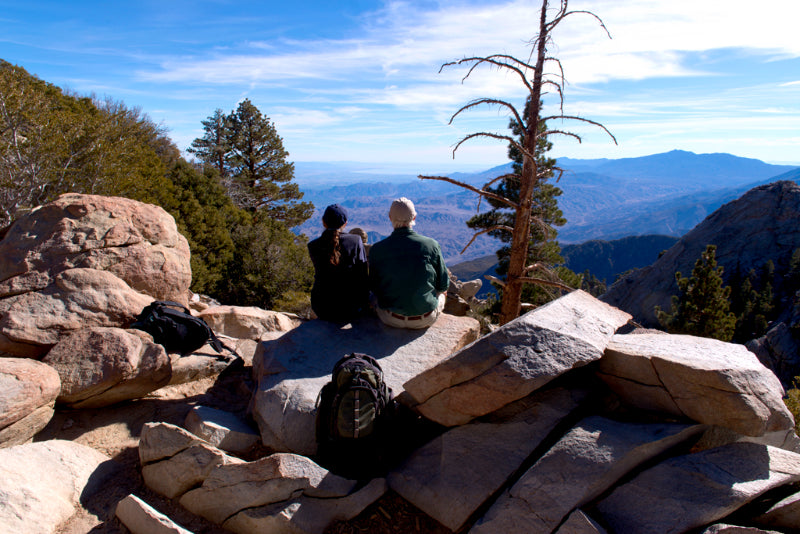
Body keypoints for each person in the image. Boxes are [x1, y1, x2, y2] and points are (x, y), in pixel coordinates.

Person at [369, 197, 449, 329]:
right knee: (442, 293)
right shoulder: (431, 245)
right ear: (414, 218)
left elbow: (374, 286)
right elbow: (443, 285)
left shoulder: (377, 249)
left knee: (372, 296)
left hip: (389, 318)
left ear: (390, 217)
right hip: (425, 318)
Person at [307, 204, 369, 323]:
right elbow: (363, 275)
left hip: (322, 308)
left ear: (323, 222)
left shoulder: (313, 246)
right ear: (345, 223)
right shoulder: (355, 241)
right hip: (351, 308)